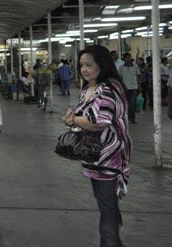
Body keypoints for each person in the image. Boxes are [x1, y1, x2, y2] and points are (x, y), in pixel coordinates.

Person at [62, 45, 131, 247]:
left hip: (109, 155)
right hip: (94, 154)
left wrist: (74, 120)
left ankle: (110, 242)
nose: (84, 69)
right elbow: (85, 116)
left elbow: (101, 121)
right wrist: (73, 118)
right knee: (105, 203)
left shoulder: (108, 88)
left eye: (89, 65)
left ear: (102, 65)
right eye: (81, 65)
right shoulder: (88, 88)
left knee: (107, 205)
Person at [119, 52, 140, 124]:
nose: (128, 59)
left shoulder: (135, 66)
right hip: (125, 88)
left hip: (134, 87)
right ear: (124, 59)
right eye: (126, 58)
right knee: (126, 104)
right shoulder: (121, 67)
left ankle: (132, 118)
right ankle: (126, 118)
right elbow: (120, 78)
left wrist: (139, 86)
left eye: (129, 57)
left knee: (132, 103)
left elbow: (137, 77)